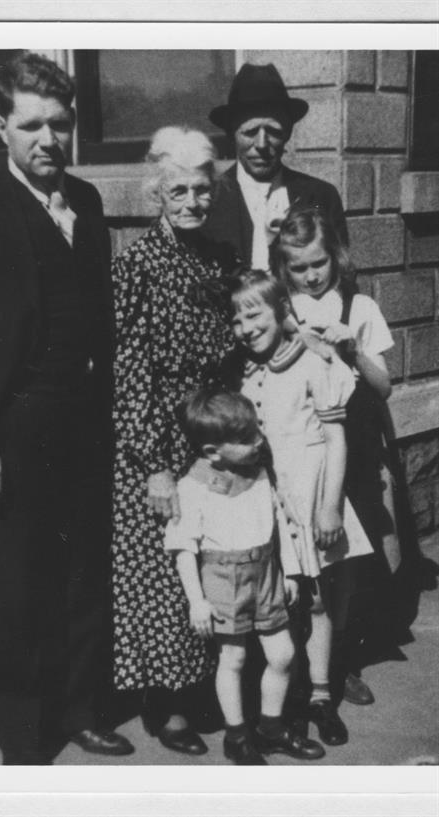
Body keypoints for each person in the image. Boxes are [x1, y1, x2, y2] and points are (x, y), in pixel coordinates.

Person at [0, 52, 133, 764]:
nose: (49, 139)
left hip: (86, 426)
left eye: (60, 124)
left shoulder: (88, 203)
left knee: (83, 573)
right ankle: (22, 731)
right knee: (16, 584)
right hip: (11, 430)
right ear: (0, 126)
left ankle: (80, 708)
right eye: (32, 125)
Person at [111, 126, 236, 755]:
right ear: (157, 192)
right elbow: (130, 372)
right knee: (163, 571)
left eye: (201, 189)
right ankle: (167, 704)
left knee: (208, 559)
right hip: (155, 442)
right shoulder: (136, 265)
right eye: (178, 190)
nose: (192, 201)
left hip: (209, 437)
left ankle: (205, 685)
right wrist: (155, 466)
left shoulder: (218, 259)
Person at [225, 270, 374, 747]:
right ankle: (287, 698)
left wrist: (329, 507)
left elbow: (335, 439)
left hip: (311, 494)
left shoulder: (311, 362)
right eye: (236, 320)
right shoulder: (243, 369)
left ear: (280, 312)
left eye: (254, 315)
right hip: (267, 501)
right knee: (282, 601)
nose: (245, 328)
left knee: (317, 599)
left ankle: (321, 695)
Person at [271, 204, 398, 704]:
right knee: (301, 562)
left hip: (355, 447)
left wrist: (354, 351)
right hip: (302, 450)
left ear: (336, 257)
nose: (310, 276)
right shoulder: (284, 310)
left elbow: (384, 387)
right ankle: (300, 665)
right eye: (298, 267)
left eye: (318, 263)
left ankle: (341, 661)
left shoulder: (359, 307)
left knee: (345, 560)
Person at [165, 388, 325, 765]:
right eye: (245, 438)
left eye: (256, 431)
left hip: (267, 572)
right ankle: (237, 737)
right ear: (212, 452)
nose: (258, 442)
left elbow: (279, 525)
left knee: (283, 654)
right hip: (224, 577)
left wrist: (290, 572)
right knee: (233, 658)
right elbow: (183, 548)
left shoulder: (259, 473)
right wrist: (197, 601)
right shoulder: (193, 486)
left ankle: (271, 729)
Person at [203, 63, 348, 272]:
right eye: (250, 132)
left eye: (273, 131)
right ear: (232, 135)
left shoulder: (321, 196)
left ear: (287, 134)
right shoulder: (209, 198)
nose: (262, 144)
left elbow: (342, 275)